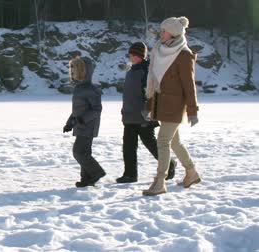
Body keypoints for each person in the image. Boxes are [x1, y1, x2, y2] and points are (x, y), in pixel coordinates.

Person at [143, 16, 202, 196]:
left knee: (162, 141)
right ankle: (191, 173)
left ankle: (160, 181)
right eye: (161, 30)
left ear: (174, 34)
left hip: (176, 105)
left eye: (164, 31)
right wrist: (149, 104)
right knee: (174, 142)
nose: (160, 34)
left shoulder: (184, 55)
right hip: (162, 103)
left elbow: (189, 85)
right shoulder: (159, 51)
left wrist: (192, 111)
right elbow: (153, 81)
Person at [116, 42, 175, 183]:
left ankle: (169, 165)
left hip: (144, 117)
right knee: (128, 147)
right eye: (130, 55)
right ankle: (130, 175)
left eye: (134, 55)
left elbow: (151, 94)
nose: (131, 57)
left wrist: (149, 111)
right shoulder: (130, 72)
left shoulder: (147, 71)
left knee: (151, 145)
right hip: (129, 116)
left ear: (141, 56)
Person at [63, 56, 106, 187]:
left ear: (84, 71)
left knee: (79, 152)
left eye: (76, 70)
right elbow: (76, 110)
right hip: (80, 125)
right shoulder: (79, 88)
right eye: (72, 70)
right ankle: (86, 179)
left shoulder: (91, 90)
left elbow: (97, 109)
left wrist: (83, 119)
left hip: (88, 126)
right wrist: (69, 123)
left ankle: (96, 172)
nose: (73, 73)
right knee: (84, 153)